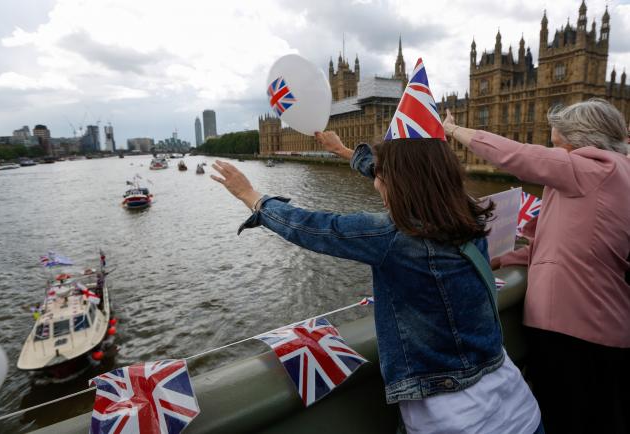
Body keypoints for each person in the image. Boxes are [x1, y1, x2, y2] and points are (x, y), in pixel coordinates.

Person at [210, 134, 542, 433]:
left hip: (455, 420)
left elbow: (315, 227)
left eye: (381, 177)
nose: (376, 184)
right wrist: (343, 151)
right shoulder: (468, 217)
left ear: (402, 183)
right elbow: (406, 173)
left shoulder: (394, 238)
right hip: (518, 406)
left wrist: (251, 195)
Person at [444, 98, 630, 434]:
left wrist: (452, 129)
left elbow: (517, 155)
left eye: (558, 146)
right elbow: (562, 246)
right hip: (603, 323)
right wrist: (501, 258)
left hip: (575, 327)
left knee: (568, 419)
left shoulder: (595, 170)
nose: (552, 150)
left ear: (581, 140)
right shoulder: (605, 177)